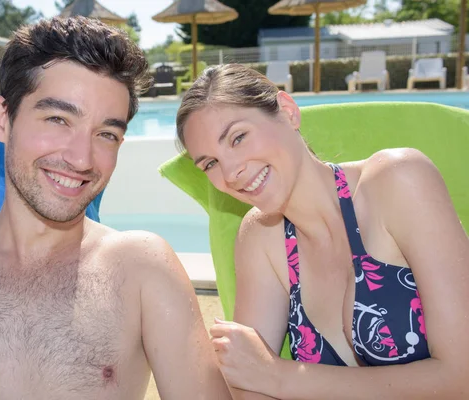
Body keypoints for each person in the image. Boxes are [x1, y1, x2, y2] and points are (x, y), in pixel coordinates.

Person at [0, 16, 232, 400]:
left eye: (106, 134)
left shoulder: (141, 267)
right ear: (1, 120)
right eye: (58, 119)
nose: (81, 159)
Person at [176, 63, 469, 399]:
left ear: (287, 112)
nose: (230, 173)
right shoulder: (262, 238)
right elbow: (249, 387)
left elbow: (462, 376)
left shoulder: (397, 182)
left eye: (238, 137)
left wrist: (281, 377)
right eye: (210, 163)